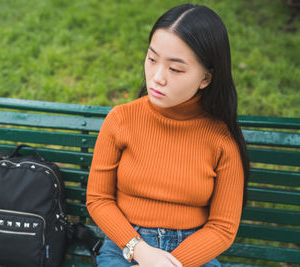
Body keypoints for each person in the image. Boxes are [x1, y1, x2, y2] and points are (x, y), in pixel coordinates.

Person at [86, 3, 250, 267]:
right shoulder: (121, 119)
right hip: (125, 247)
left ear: (206, 78)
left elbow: (222, 227)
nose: (157, 77)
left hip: (192, 254)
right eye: (152, 59)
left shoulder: (221, 138)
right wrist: (139, 250)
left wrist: (171, 263)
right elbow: (99, 199)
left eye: (175, 69)